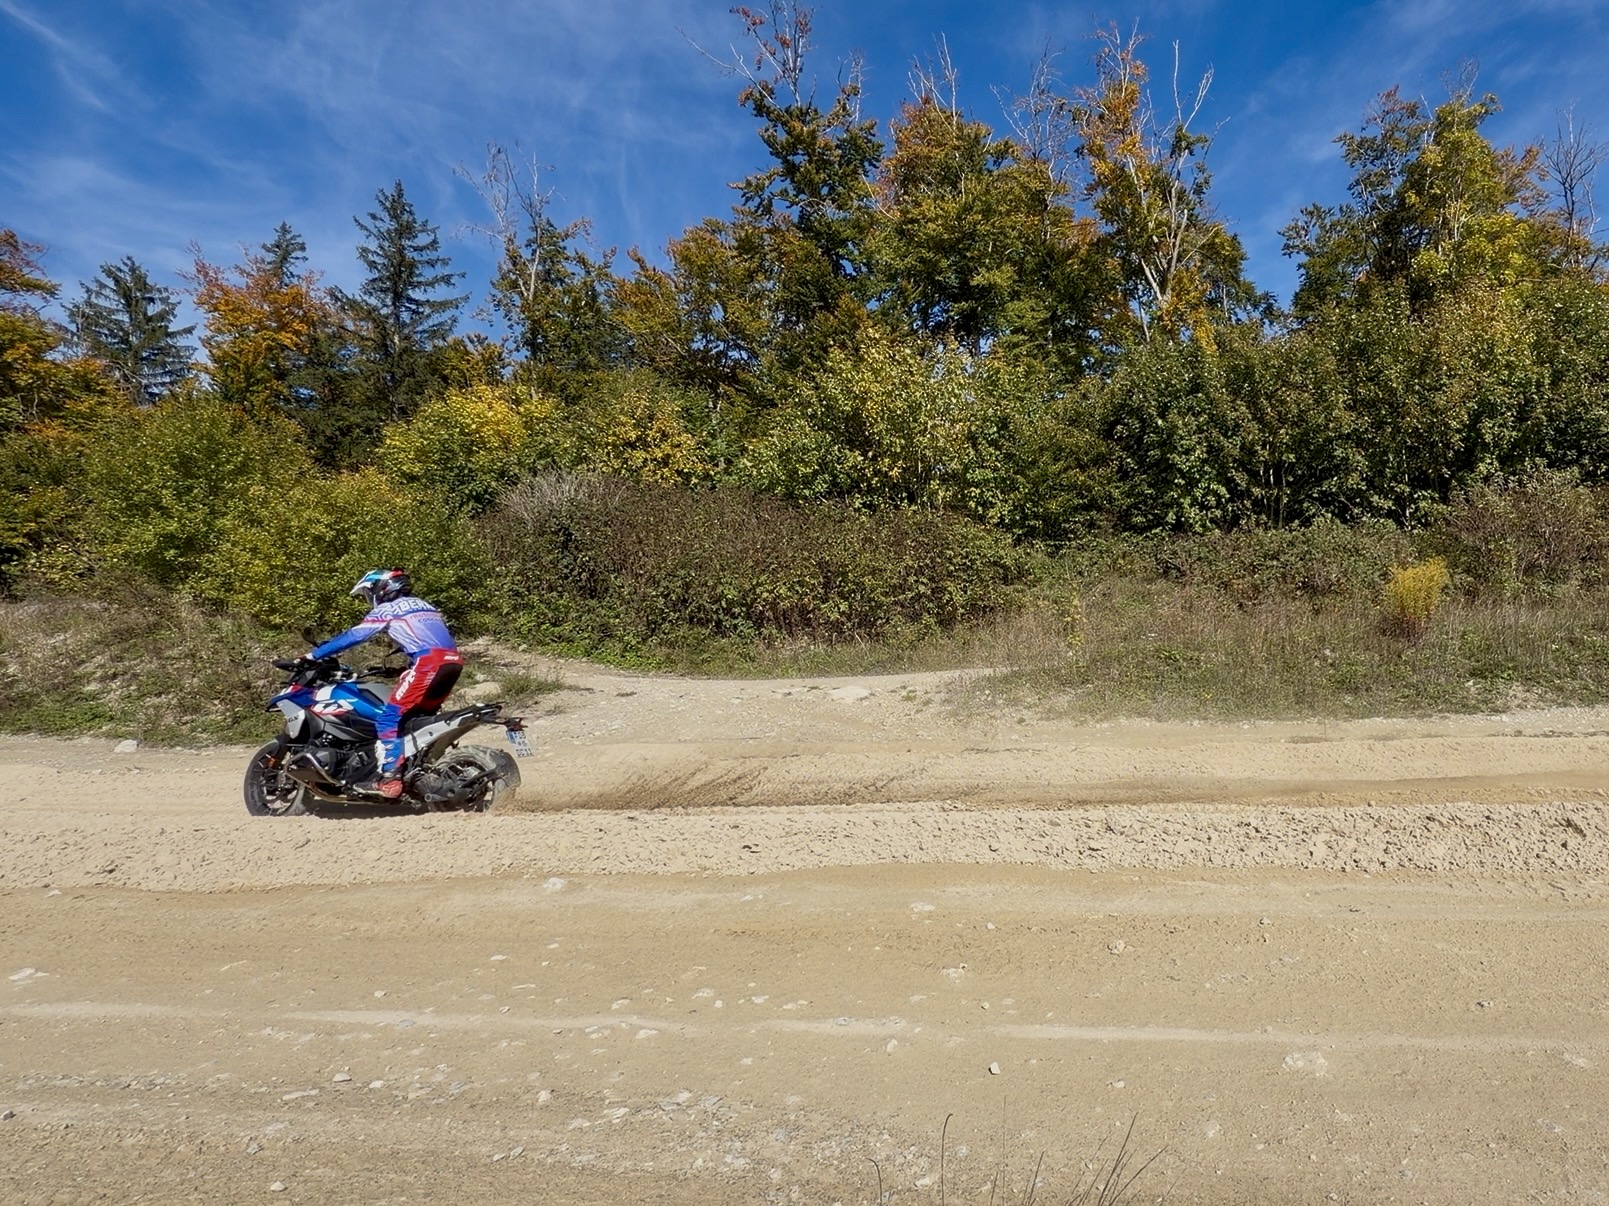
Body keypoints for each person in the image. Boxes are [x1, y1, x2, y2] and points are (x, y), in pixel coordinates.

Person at [309, 568, 464, 798]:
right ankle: (419, 769)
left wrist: (314, 655)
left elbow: (355, 635)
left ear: (380, 588)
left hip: (428, 664)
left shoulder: (388, 608)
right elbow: (432, 641)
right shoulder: (425, 605)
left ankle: (390, 778)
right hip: (453, 662)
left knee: (389, 717)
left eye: (368, 592)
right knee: (415, 719)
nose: (369, 598)